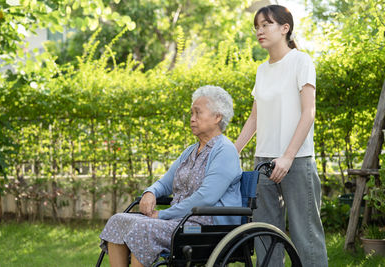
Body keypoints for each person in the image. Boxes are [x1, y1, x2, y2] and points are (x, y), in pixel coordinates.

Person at [99, 85, 242, 267]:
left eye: (198, 113)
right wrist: (150, 192)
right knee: (118, 220)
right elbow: (165, 183)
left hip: (205, 226)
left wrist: (164, 214)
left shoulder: (225, 150)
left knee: (144, 228)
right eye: (191, 113)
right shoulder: (191, 151)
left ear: (217, 117)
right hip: (179, 221)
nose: (192, 119)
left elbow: (205, 198)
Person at [234, 5, 328, 267]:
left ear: (285, 28)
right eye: (257, 27)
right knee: (265, 237)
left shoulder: (301, 61)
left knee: (306, 236)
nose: (259, 31)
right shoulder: (262, 70)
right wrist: (233, 150)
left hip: (296, 161)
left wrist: (287, 157)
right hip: (263, 163)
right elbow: (255, 118)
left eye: (266, 25)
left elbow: (308, 113)